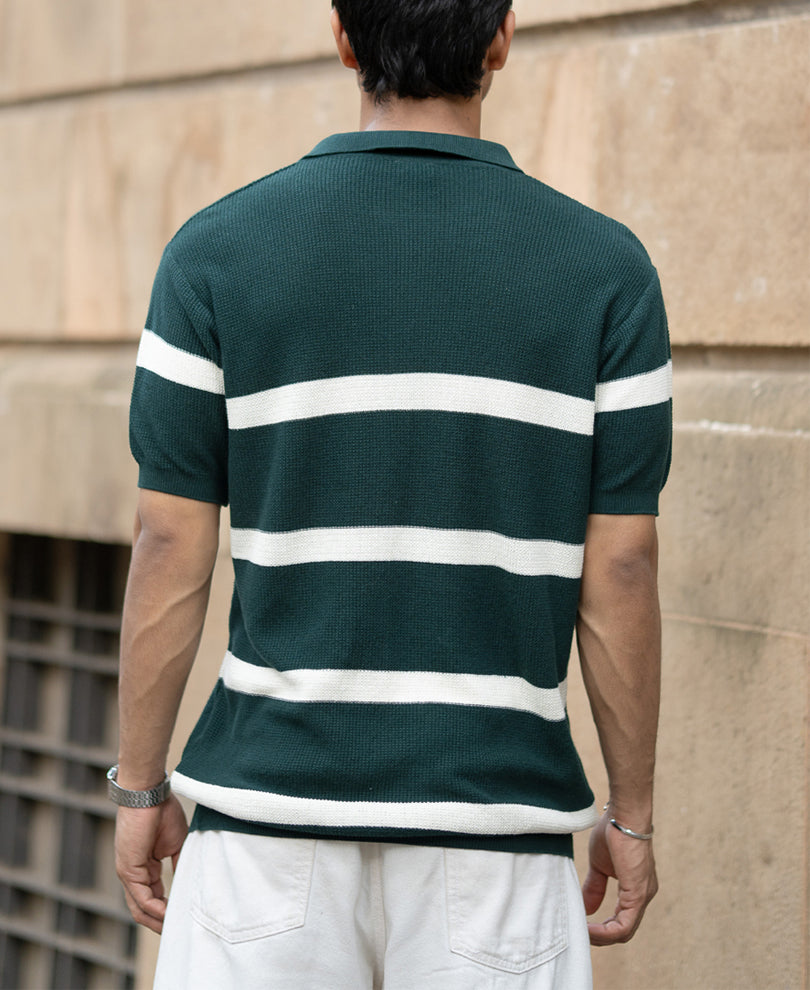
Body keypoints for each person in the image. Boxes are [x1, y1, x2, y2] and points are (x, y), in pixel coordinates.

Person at [112, 1, 671, 987]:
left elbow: (169, 546)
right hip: (497, 835)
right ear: (501, 38)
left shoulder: (212, 253)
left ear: (343, 37)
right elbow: (620, 567)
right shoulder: (608, 272)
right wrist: (630, 816)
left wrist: (140, 785)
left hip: (267, 826)